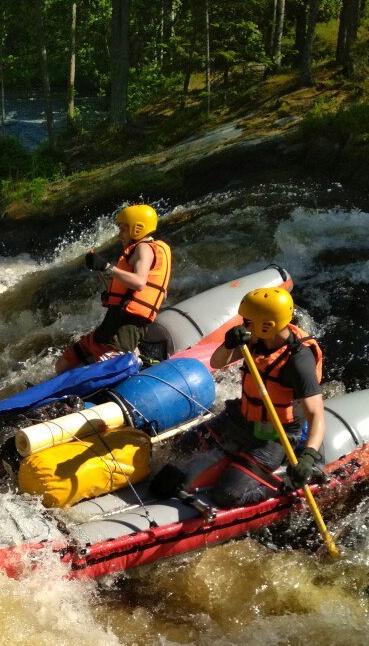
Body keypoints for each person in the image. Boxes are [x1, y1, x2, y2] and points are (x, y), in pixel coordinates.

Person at [155, 286, 326, 509]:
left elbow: (316, 416)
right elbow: (217, 362)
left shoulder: (298, 362)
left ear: (267, 325)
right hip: (241, 419)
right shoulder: (257, 338)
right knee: (182, 446)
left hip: (275, 436)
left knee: (227, 495)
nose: (243, 324)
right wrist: (229, 344)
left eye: (248, 320)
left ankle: (283, 485)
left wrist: (309, 457)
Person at [54, 203, 172, 375]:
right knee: (63, 363)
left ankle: (137, 363)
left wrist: (107, 266)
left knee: (100, 372)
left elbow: (139, 282)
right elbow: (127, 291)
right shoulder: (141, 250)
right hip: (112, 323)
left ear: (137, 229)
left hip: (125, 327)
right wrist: (100, 269)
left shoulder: (144, 248)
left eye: (123, 229)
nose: (119, 235)